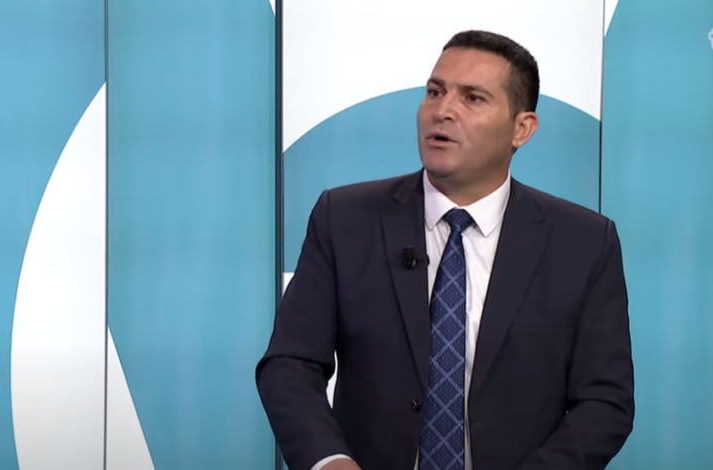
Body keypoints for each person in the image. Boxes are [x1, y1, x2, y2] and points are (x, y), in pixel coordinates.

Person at [256, 30, 635, 470]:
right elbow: (290, 364)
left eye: (472, 98)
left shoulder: (584, 243)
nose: (442, 110)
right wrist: (329, 461)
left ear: (522, 128)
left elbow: (605, 402)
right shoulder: (344, 219)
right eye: (435, 92)